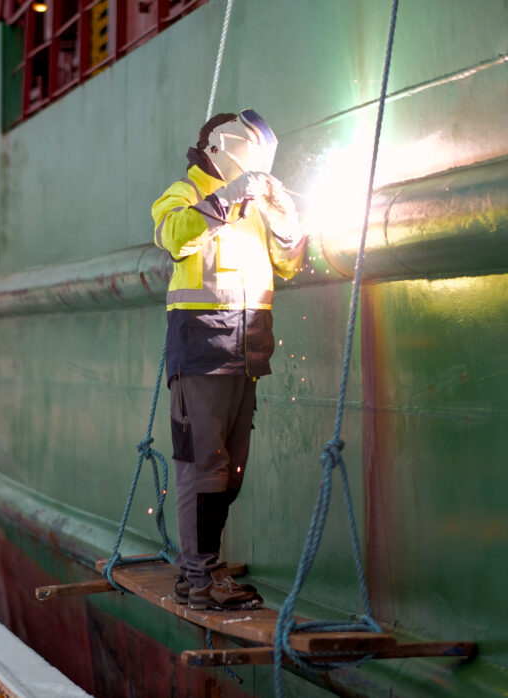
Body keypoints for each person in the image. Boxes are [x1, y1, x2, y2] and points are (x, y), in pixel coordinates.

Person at [150, 110, 306, 611]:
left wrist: (284, 218)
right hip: (202, 348)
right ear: (224, 150)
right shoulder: (184, 193)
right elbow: (174, 237)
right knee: (204, 466)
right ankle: (200, 578)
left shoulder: (256, 202)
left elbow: (289, 264)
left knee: (229, 471)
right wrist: (226, 200)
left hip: (247, 350)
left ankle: (197, 570)